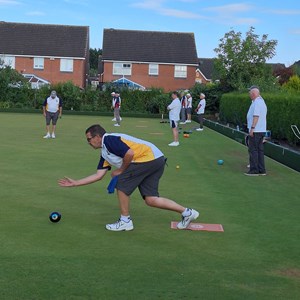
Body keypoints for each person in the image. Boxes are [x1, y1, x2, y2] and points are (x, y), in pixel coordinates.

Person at [58, 124, 199, 231]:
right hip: (157, 159)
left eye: (89, 139)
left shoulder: (109, 140)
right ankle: (187, 212)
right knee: (151, 199)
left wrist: (120, 170)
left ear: (97, 137)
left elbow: (129, 154)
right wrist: (76, 183)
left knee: (122, 183)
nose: (88, 142)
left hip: (147, 158)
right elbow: (99, 175)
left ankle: (125, 221)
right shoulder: (105, 152)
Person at [245, 86, 267, 176]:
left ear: (253, 94)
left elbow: (256, 115)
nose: (249, 95)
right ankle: (262, 170)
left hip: (256, 130)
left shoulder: (257, 102)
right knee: (260, 150)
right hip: (261, 130)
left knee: (253, 150)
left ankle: (254, 170)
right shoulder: (261, 102)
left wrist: (252, 128)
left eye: (250, 93)